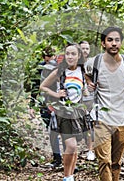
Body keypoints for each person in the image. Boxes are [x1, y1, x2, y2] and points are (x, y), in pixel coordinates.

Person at [86, 27, 124, 181]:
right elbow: (87, 74)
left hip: (122, 118)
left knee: (116, 162)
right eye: (110, 40)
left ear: (121, 43)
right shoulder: (93, 62)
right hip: (101, 118)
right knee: (105, 161)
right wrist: (90, 83)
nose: (114, 43)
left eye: (117, 40)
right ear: (103, 43)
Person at [40, 43, 88, 181]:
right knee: (71, 145)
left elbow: (85, 89)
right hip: (63, 112)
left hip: (78, 112)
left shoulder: (82, 71)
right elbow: (43, 87)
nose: (70, 57)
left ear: (79, 56)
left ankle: (71, 176)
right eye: (67, 54)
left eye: (73, 54)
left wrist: (87, 90)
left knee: (74, 148)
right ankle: (66, 177)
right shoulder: (59, 72)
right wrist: (56, 94)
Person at [38, 47, 64, 168]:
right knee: (52, 131)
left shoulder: (69, 71)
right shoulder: (44, 69)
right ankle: (57, 158)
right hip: (50, 104)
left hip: (65, 105)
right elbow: (41, 87)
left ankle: (68, 160)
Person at [79, 40, 96, 161]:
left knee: (91, 125)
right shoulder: (74, 63)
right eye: (82, 48)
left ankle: (91, 150)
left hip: (91, 99)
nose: (85, 50)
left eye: (87, 48)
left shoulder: (92, 64)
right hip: (77, 100)